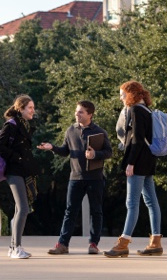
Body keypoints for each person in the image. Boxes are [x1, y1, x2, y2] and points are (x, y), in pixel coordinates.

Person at [38, 100, 112, 255]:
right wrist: (52, 148)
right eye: (76, 111)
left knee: (96, 211)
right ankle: (63, 245)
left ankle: (93, 244)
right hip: (75, 178)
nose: (76, 114)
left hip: (95, 178)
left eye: (80, 112)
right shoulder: (70, 130)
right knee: (70, 211)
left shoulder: (100, 132)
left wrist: (95, 155)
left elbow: (108, 153)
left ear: (90, 115)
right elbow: (65, 151)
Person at [104, 81, 163, 258]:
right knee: (151, 201)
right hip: (148, 160)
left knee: (132, 203)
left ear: (130, 94)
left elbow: (136, 140)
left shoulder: (136, 110)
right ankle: (156, 242)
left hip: (138, 162)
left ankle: (123, 243)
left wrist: (130, 163)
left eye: (122, 94)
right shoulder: (146, 110)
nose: (120, 98)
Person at [0, 94, 40, 259]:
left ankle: (13, 247)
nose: (33, 111)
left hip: (22, 171)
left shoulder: (24, 125)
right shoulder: (11, 125)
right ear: (20, 109)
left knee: (19, 209)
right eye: (30, 108)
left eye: (33, 108)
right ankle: (16, 248)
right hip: (14, 171)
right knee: (23, 208)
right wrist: (17, 158)